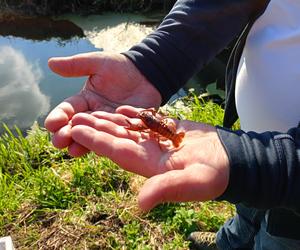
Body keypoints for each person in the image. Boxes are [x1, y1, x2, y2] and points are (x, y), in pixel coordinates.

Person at [44, 0, 300, 249]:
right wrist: (155, 63)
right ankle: (231, 241)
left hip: (291, 201)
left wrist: (277, 166)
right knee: (246, 210)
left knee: (278, 237)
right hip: (249, 139)